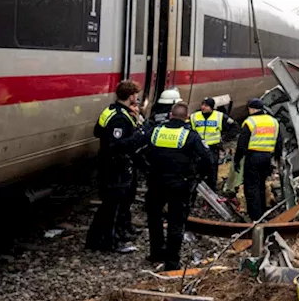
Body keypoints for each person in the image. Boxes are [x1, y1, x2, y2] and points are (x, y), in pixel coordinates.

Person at [144, 102, 213, 269]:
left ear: (170, 115)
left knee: (154, 218)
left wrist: (146, 168)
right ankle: (172, 262)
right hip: (179, 184)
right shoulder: (191, 135)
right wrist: (199, 175)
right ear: (186, 117)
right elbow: (207, 159)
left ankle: (156, 252)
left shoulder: (155, 131)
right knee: (176, 222)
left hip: (155, 182)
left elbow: (136, 147)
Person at [87, 80, 147, 253]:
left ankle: (99, 239)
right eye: (136, 95)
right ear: (131, 96)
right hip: (115, 166)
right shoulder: (120, 118)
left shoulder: (110, 111)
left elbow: (97, 131)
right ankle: (108, 242)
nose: (137, 98)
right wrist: (138, 135)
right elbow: (117, 144)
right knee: (111, 206)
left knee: (111, 205)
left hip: (109, 164)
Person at [234, 98, 282, 222]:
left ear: (252, 109)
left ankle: (255, 216)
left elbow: (242, 143)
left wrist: (237, 160)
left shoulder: (250, 122)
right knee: (261, 184)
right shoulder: (273, 121)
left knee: (251, 187)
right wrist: (277, 157)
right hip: (267, 157)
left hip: (253, 157)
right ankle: (263, 211)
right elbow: (279, 141)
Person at [189, 98, 235, 193]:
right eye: (202, 105)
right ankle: (195, 191)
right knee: (196, 170)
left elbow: (234, 127)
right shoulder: (194, 116)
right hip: (198, 148)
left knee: (212, 170)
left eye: (206, 106)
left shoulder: (219, 116)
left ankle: (211, 191)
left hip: (212, 147)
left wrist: (224, 138)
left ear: (212, 107)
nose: (203, 107)